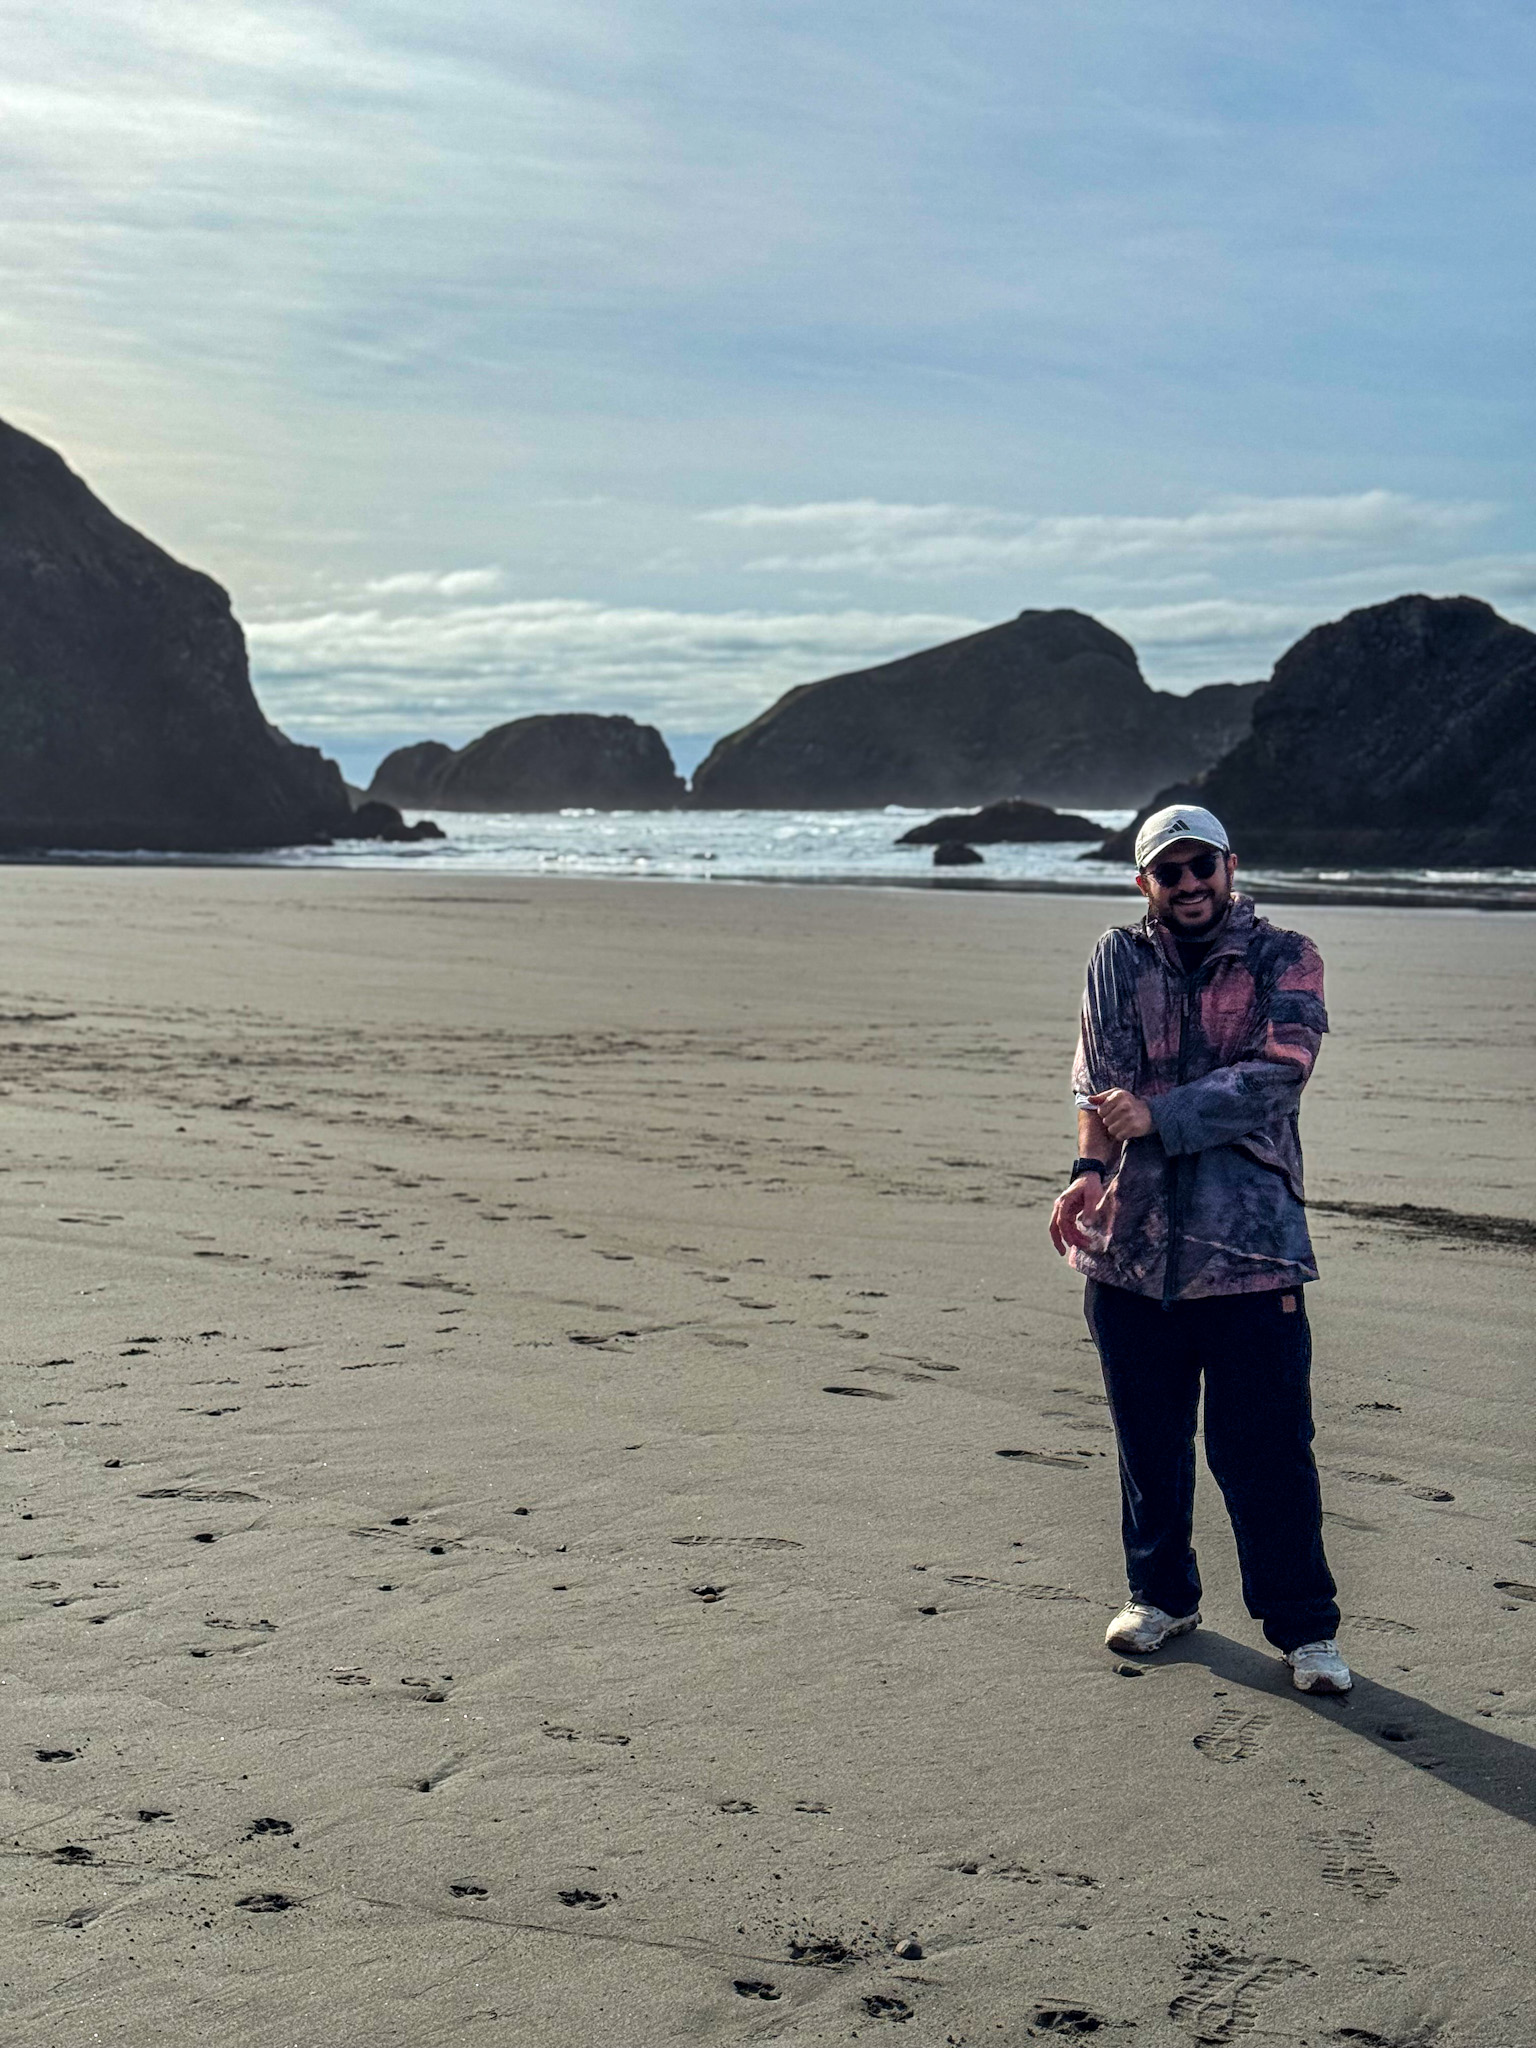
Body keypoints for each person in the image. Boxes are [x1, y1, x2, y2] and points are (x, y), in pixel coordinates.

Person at [1048, 803, 1350, 1694]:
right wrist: (1087, 1169)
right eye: (1168, 872)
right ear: (1144, 883)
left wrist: (1164, 1115)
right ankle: (1161, 1595)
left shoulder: (1284, 955)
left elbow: (1279, 1073)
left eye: (1201, 866)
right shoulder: (1117, 956)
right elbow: (1099, 1079)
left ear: (1229, 865)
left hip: (1250, 1250)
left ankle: (1304, 1631)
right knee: (1148, 1440)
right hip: (1130, 1252)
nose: (1188, 884)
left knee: (1266, 1454)